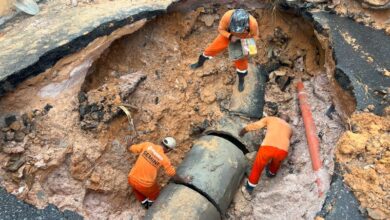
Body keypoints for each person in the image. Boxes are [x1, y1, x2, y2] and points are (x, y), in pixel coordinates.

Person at [190, 9, 259, 92]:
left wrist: (248, 49)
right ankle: (199, 63)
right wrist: (230, 36)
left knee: (241, 62)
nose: (236, 31)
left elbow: (255, 37)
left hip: (243, 38)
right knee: (211, 49)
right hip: (227, 35)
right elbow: (221, 29)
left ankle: (241, 80)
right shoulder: (227, 16)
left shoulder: (253, 23)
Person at [128, 137, 192, 209]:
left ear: (161, 142)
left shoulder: (147, 145)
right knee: (155, 194)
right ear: (169, 150)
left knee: (137, 190)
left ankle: (144, 203)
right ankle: (150, 207)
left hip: (131, 178)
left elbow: (131, 148)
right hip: (145, 185)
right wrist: (184, 181)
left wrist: (129, 145)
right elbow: (173, 176)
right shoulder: (164, 159)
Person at [239, 114, 292, 199]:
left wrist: (244, 130)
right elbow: (287, 138)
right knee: (276, 162)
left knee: (257, 167)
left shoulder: (271, 119)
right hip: (283, 150)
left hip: (268, 147)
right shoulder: (290, 128)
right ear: (287, 122)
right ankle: (271, 173)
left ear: (278, 117)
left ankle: (249, 189)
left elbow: (256, 125)